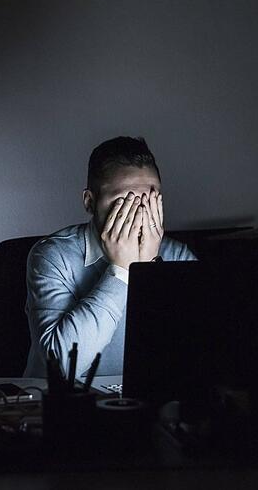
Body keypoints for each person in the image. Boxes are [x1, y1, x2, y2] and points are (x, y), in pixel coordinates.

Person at [23, 136, 196, 378]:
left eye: (149, 200)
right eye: (123, 201)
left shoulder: (177, 256)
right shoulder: (53, 256)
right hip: (64, 399)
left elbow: (191, 351)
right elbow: (61, 366)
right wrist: (122, 270)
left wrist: (149, 270)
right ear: (90, 202)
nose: (138, 213)